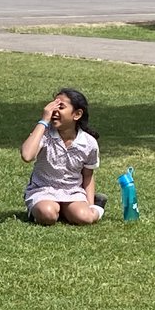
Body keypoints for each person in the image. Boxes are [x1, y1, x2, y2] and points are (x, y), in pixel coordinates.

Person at [21, 89, 106, 226]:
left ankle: (98, 207)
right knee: (47, 214)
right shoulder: (44, 134)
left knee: (84, 218)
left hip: (72, 191)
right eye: (53, 106)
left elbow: (88, 176)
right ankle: (48, 208)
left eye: (61, 107)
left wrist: (89, 206)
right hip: (43, 189)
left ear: (77, 114)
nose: (54, 111)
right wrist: (43, 121)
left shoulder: (88, 143)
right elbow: (27, 155)